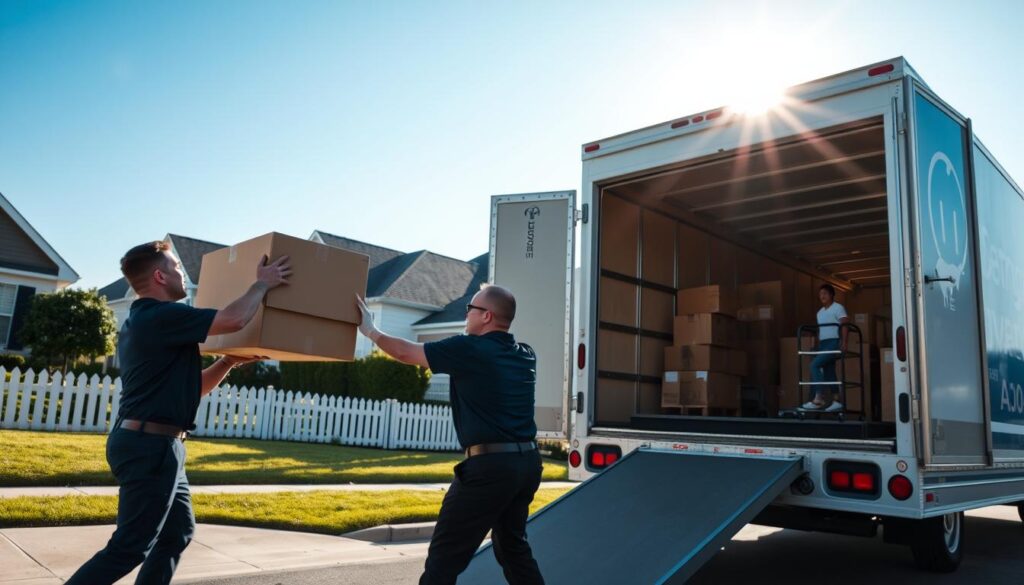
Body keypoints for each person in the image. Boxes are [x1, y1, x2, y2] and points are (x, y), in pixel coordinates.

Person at [65, 241, 292, 585]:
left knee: (176, 534)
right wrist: (262, 282)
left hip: (154, 442)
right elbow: (234, 319)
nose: (183, 276)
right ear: (159, 275)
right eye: (176, 268)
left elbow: (192, 389)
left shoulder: (147, 322)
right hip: (151, 445)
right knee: (129, 548)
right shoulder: (162, 316)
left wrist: (228, 361)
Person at [356, 285, 544, 585]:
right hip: (527, 465)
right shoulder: (525, 355)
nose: (466, 312)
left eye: (470, 307)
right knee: (513, 548)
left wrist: (371, 331)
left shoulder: (470, 348)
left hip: (489, 470)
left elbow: (406, 352)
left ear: (486, 316)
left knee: (444, 560)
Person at [801, 283, 849, 412]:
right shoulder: (819, 313)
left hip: (833, 342)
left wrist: (844, 342)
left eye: (825, 293)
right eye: (820, 294)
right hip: (823, 344)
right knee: (829, 371)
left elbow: (844, 324)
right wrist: (816, 345)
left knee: (814, 365)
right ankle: (837, 400)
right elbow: (820, 331)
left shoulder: (838, 308)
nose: (822, 296)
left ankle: (818, 398)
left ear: (832, 295)